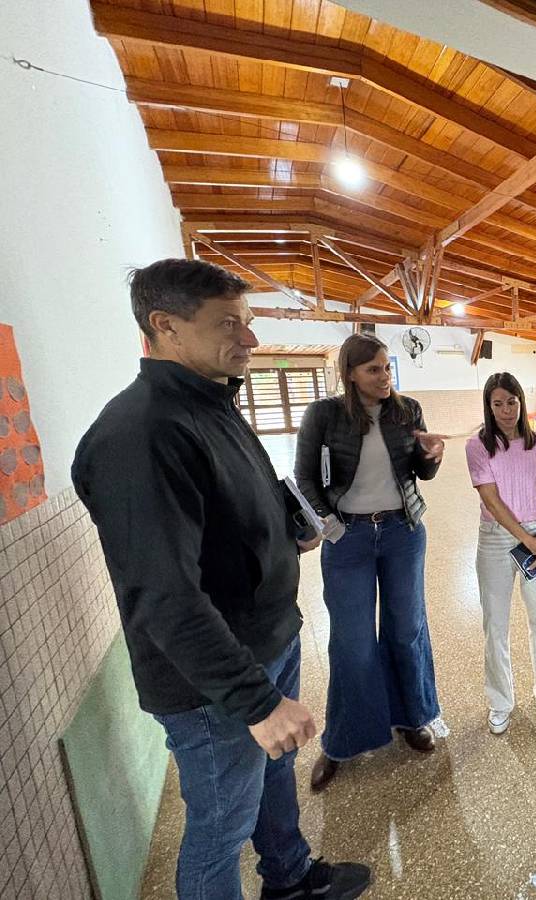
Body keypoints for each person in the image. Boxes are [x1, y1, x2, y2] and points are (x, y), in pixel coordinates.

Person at [72, 259, 370, 900]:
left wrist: (287, 531)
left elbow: (230, 510)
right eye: (229, 324)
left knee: (270, 780)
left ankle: (288, 879)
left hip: (267, 640)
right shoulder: (142, 435)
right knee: (220, 828)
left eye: (249, 321)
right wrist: (256, 703)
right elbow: (164, 593)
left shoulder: (210, 401)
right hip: (214, 683)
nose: (251, 339)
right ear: (165, 327)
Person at [295, 333, 444, 792]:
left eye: (386, 367)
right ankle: (342, 741)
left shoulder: (407, 410)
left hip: (402, 532)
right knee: (352, 641)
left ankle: (412, 718)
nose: (384, 377)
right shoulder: (325, 414)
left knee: (406, 630)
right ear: (351, 374)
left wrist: (430, 455)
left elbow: (420, 473)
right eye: (373, 369)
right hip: (350, 538)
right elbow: (305, 476)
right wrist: (327, 523)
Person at [466, 372, 536, 735]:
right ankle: (501, 701)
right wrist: (530, 541)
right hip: (495, 539)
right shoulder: (478, 446)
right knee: (496, 625)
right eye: (497, 403)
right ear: (489, 407)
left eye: (511, 402)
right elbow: (491, 498)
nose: (506, 410)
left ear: (521, 402)